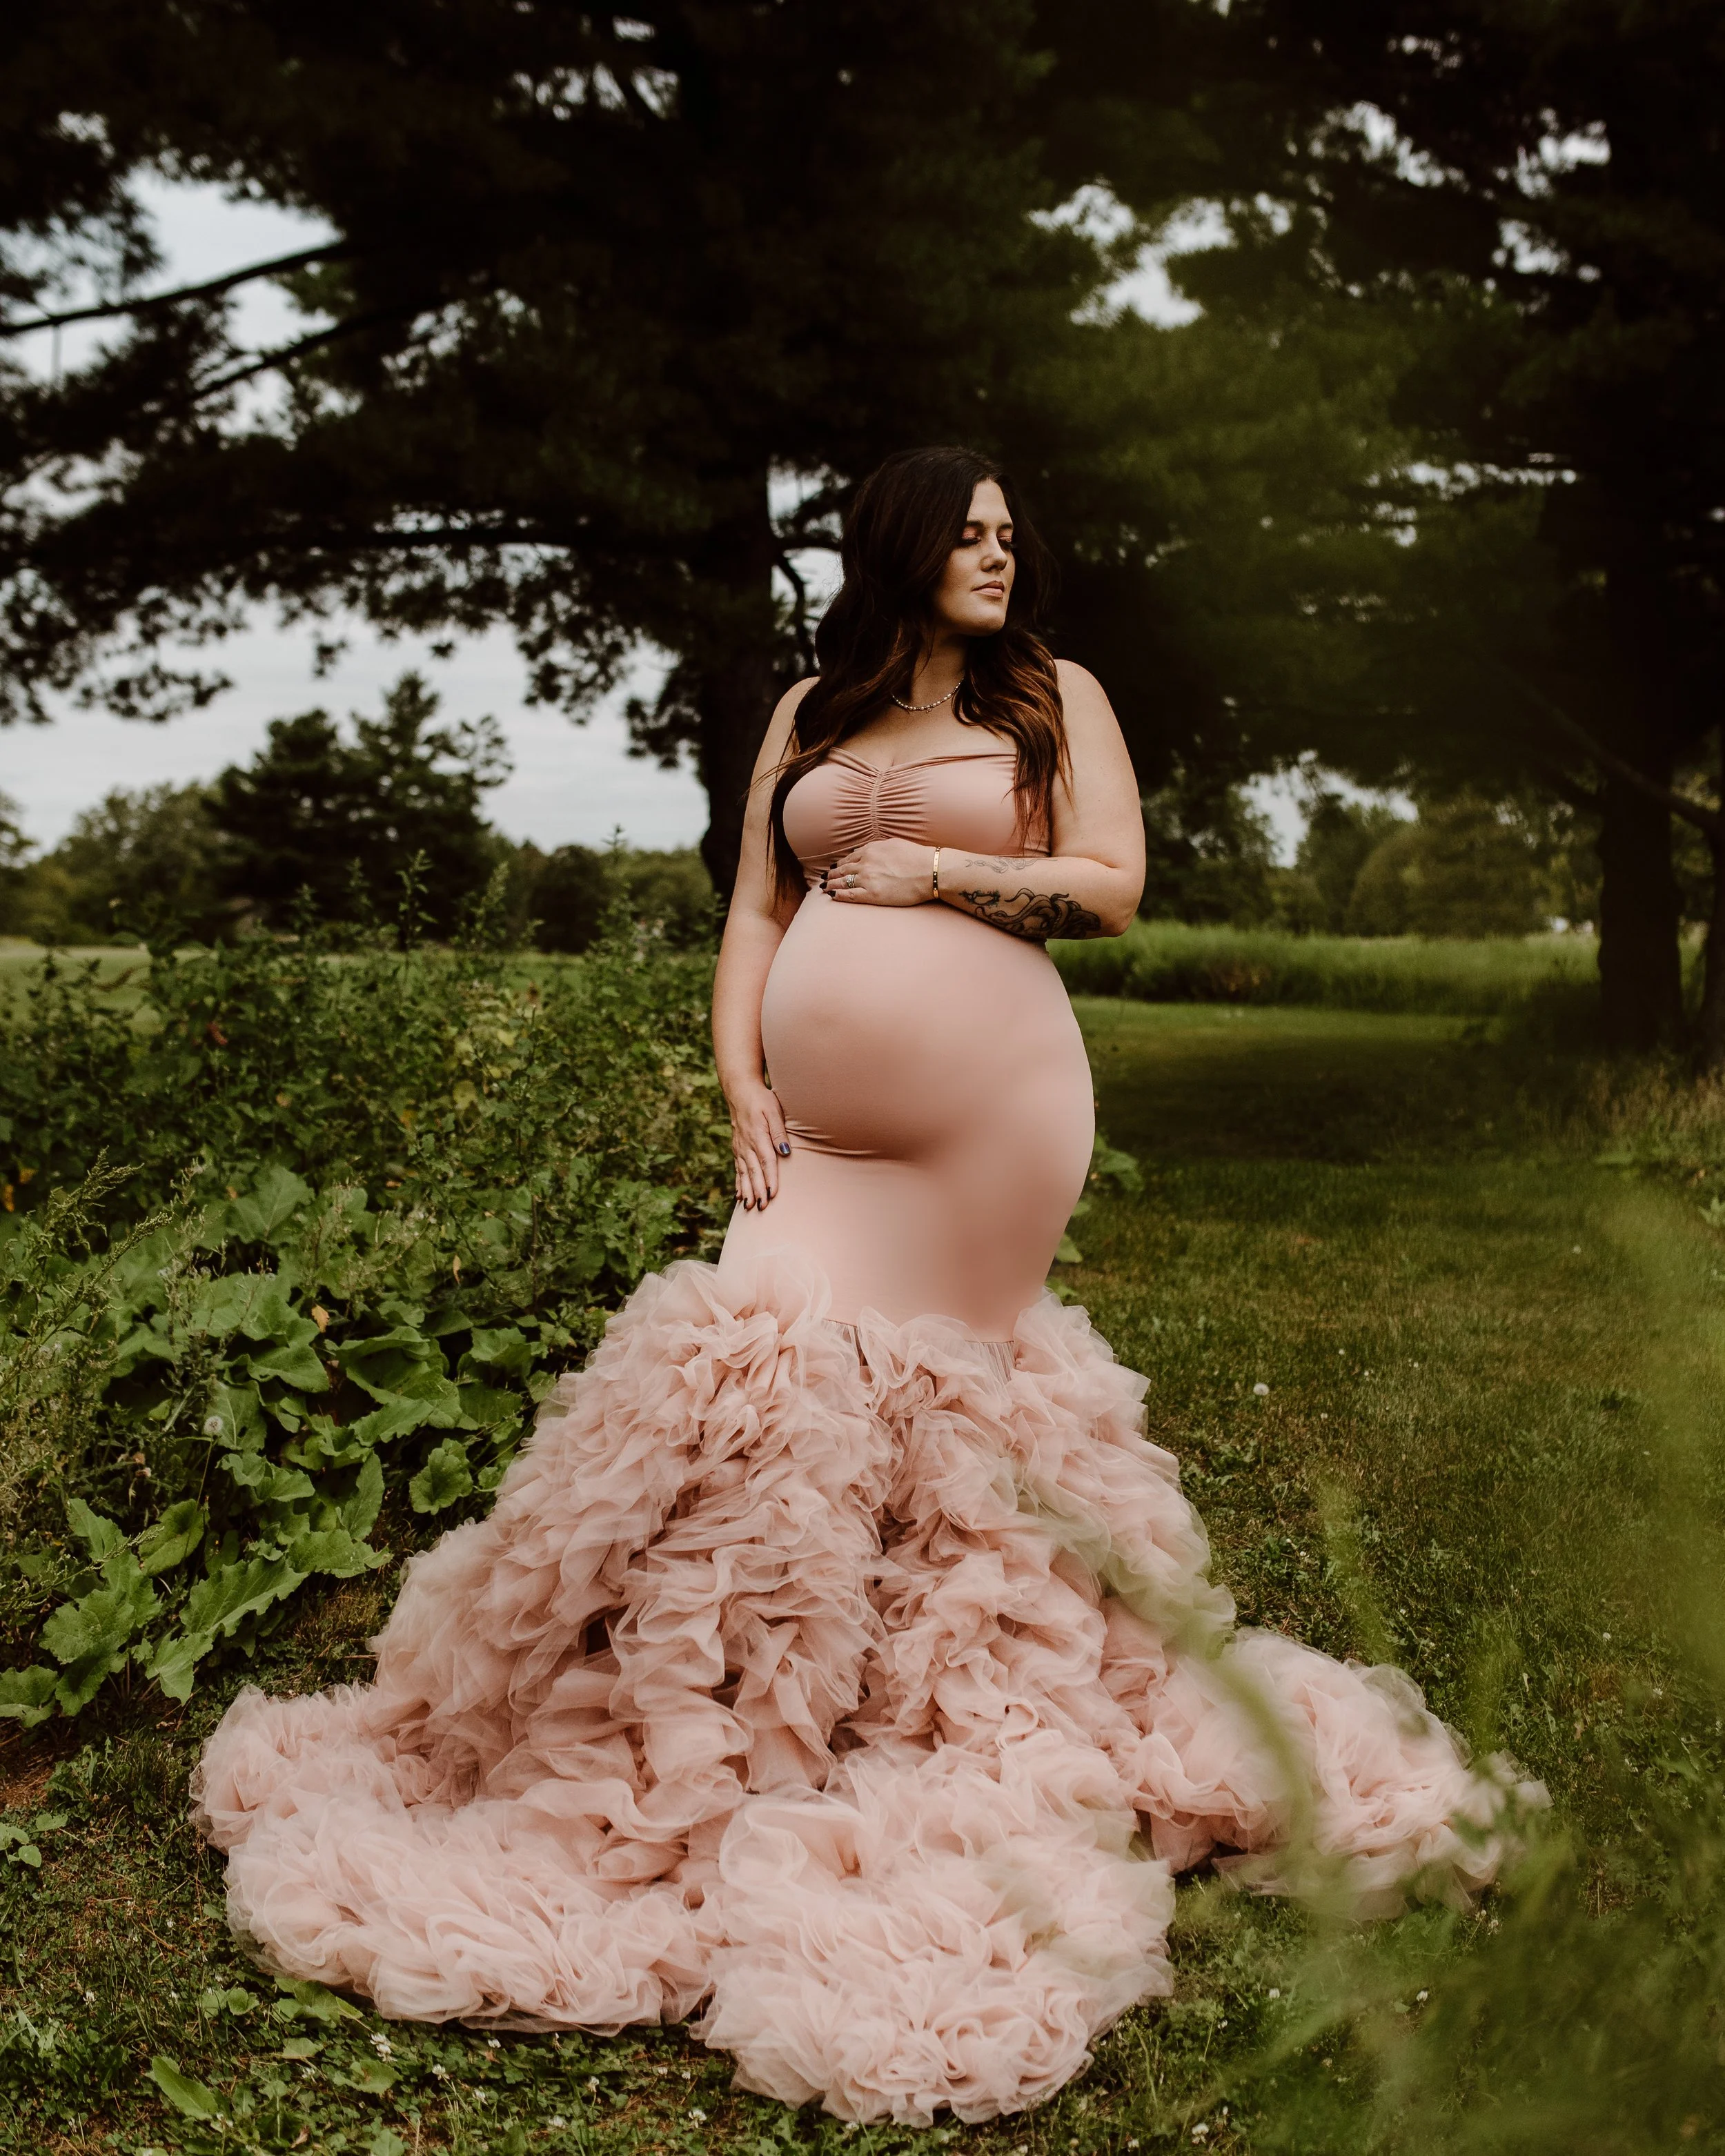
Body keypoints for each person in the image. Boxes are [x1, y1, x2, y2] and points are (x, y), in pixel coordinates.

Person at [196, 448, 1539, 2127]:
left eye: (1004, 534)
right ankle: (737, 1742)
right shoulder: (805, 713)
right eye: (964, 533)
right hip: (812, 1143)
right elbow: (754, 909)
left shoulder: (1055, 700)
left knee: (934, 1402)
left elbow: (1112, 888)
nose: (996, 554)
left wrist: (945, 877)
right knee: (747, 1378)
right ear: (897, 549)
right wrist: (739, 1082)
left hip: (993, 1123)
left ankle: (903, 1716)